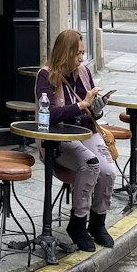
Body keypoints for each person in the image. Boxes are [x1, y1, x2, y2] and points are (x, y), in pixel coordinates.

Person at [35, 29, 118, 252]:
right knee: (91, 164)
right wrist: (81, 105)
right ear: (65, 52)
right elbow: (50, 114)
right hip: (59, 137)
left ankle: (98, 223)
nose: (82, 58)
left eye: (83, 53)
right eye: (78, 53)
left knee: (108, 171)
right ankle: (78, 223)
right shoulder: (46, 75)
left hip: (86, 132)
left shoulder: (83, 72)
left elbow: (90, 112)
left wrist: (97, 108)